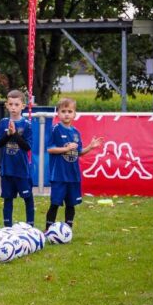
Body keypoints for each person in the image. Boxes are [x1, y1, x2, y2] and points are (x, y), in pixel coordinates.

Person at [46, 98, 103, 230]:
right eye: (63, 111)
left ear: (74, 114)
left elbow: (79, 153)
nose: (66, 114)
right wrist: (66, 149)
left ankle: (68, 230)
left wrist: (91, 147)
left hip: (73, 176)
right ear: (58, 114)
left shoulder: (76, 132)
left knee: (71, 205)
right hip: (59, 176)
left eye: (69, 111)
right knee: (55, 203)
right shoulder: (55, 129)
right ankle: (48, 229)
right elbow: (50, 149)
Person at [0, 90, 35, 227]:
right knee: (8, 199)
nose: (13, 107)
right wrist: (8, 135)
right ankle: (7, 227)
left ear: (22, 106)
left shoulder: (27, 125)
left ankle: (30, 226)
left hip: (22, 170)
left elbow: (27, 147)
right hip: (7, 169)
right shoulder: (3, 123)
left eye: (16, 104)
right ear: (6, 105)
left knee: (27, 197)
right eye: (10, 104)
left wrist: (15, 134)